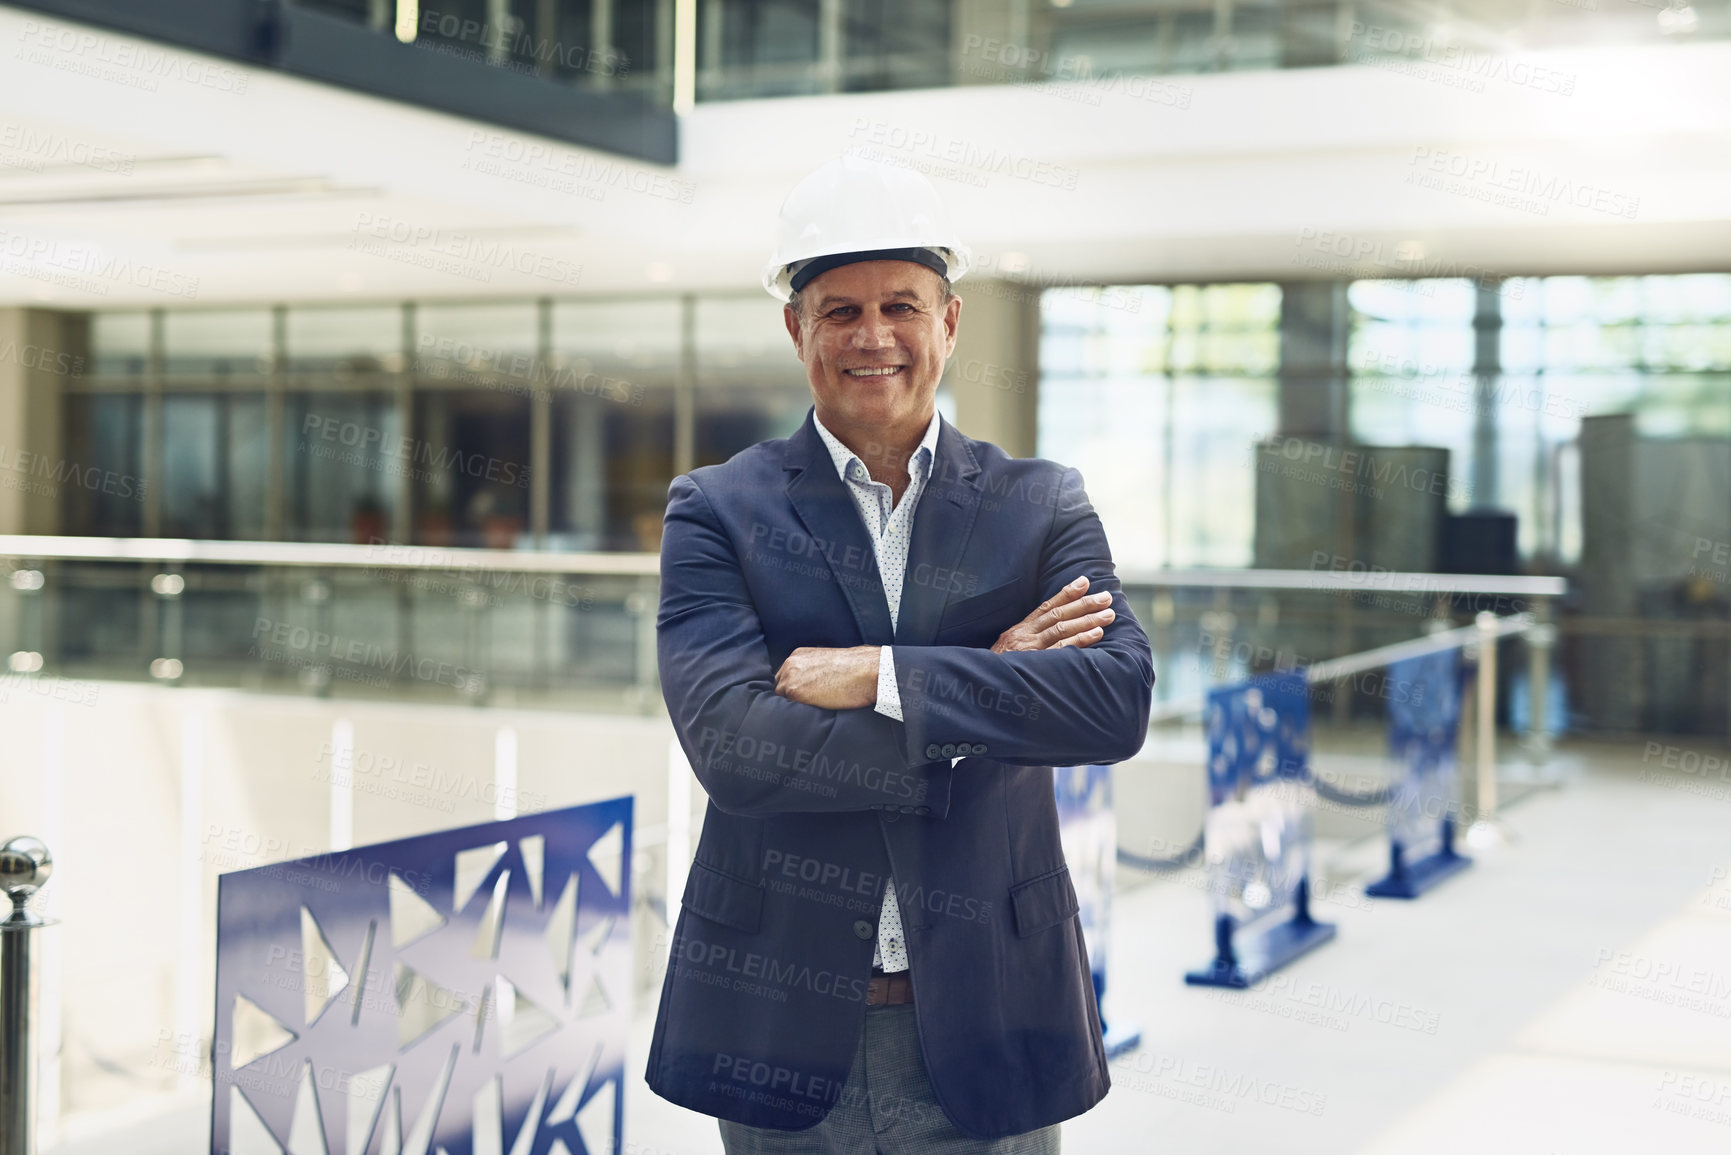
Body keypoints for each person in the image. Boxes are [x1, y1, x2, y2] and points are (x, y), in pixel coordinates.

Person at [645, 155, 1154, 1153]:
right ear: (797, 329)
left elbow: (1114, 703)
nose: (873, 337)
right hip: (778, 1026)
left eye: (901, 306)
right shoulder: (715, 511)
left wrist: (885, 677)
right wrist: (995, 684)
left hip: (994, 1016)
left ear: (949, 323)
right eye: (839, 310)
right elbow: (737, 750)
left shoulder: (1040, 504)